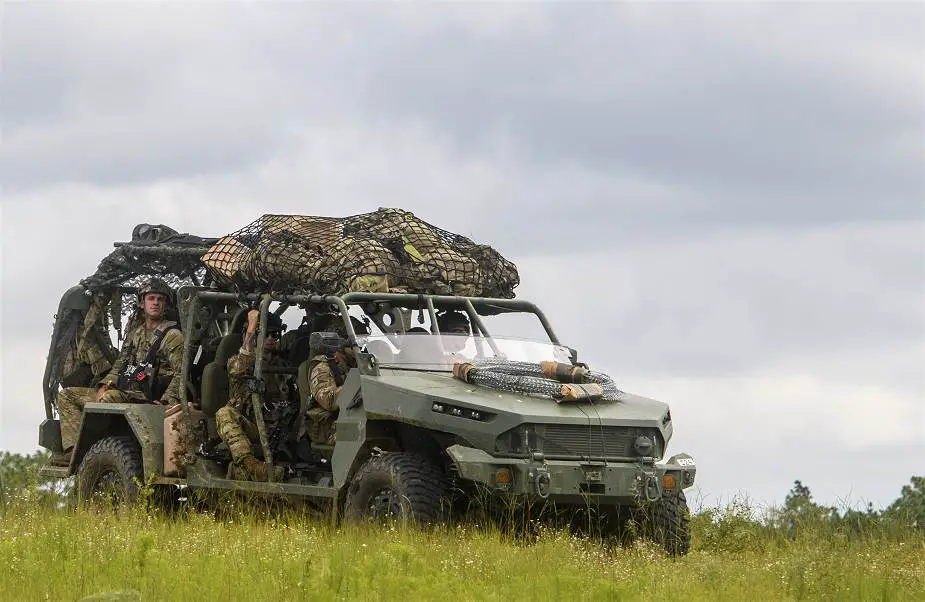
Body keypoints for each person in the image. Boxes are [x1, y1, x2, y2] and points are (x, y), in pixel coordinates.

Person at [54, 278, 185, 465]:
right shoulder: (136, 333)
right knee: (68, 396)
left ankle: (102, 451)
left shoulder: (172, 336)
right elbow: (120, 365)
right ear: (141, 303)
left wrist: (166, 401)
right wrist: (105, 385)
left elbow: (181, 374)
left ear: (165, 305)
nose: (155, 302)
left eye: (160, 299)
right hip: (127, 391)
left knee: (107, 401)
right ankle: (74, 452)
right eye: (151, 298)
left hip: (148, 398)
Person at [216, 309, 288, 482]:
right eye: (265, 333)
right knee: (224, 413)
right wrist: (251, 330)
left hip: (278, 428)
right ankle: (251, 466)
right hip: (251, 425)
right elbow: (238, 368)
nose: (270, 338)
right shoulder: (239, 361)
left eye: (275, 334)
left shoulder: (284, 366)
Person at [305, 317, 357, 446]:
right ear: (341, 344)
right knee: (363, 436)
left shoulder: (356, 364)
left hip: (352, 418)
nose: (360, 346)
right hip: (329, 427)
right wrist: (359, 388)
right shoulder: (323, 366)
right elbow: (328, 400)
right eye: (355, 343)